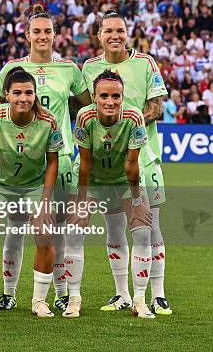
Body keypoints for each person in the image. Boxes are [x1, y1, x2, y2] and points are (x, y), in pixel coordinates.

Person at [0, 5, 90, 311]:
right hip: (19, 161)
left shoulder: (69, 70)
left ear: (54, 35)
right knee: (16, 228)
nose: (43, 36)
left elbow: (88, 106)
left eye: (48, 31)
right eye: (37, 31)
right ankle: (9, 293)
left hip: (57, 158)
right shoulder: (12, 69)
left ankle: (60, 294)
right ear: (27, 35)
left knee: (54, 230)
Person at [81, 10, 171, 315]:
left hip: (143, 158)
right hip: (107, 163)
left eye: (119, 30)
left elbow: (156, 106)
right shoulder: (90, 67)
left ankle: (157, 294)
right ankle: (121, 294)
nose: (114, 36)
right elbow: (86, 108)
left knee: (150, 226)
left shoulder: (145, 62)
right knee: (114, 227)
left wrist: (125, 125)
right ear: (99, 35)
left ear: (127, 32)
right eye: (108, 31)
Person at [0, 67, 62, 317]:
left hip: (33, 185)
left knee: (45, 233)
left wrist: (45, 202)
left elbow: (52, 161)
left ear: (36, 95)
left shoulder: (48, 121)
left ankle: (39, 302)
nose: (23, 98)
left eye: (29, 93)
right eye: (17, 93)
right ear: (6, 95)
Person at [67, 69, 155, 319]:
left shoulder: (133, 117)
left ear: (123, 96)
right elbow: (84, 164)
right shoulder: (84, 117)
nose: (110, 101)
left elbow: (132, 164)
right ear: (94, 97)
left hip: (125, 179)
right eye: (103, 96)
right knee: (74, 232)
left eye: (115, 96)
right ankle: (74, 298)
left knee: (142, 231)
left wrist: (137, 198)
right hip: (91, 179)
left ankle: (139, 299)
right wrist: (81, 201)